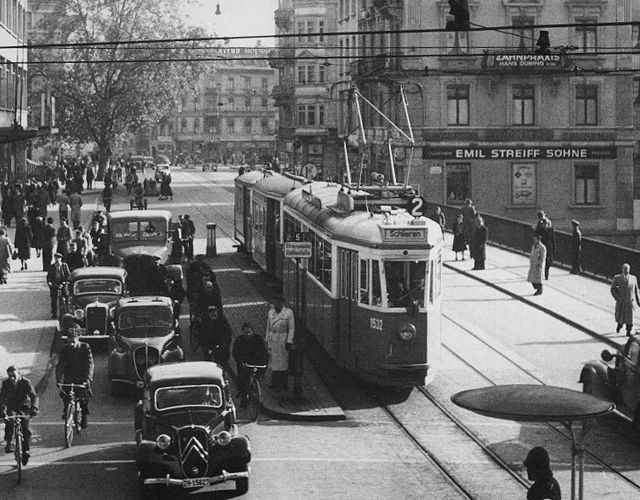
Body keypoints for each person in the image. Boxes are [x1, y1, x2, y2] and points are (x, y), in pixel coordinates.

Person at [56, 328, 94, 428]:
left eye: (73, 342)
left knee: (84, 397)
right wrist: (58, 379)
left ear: (78, 339)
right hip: (70, 375)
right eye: (69, 342)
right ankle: (66, 410)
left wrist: (88, 379)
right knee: (65, 393)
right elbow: (60, 364)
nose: (71, 344)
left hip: (82, 375)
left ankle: (84, 415)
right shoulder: (65, 349)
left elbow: (89, 364)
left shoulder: (85, 347)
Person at [0, 366, 39, 465]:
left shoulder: (26, 382)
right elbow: (2, 399)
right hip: (12, 407)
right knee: (9, 422)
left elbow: (34, 396)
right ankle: (9, 442)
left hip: (24, 408)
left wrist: (34, 408)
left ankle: (26, 450)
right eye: (9, 376)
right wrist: (2, 411)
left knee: (26, 429)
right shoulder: (5, 383)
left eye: (14, 376)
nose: (12, 378)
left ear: (19, 374)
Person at [232, 322, 269, 406]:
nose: (248, 334)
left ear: (252, 332)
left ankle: (256, 387)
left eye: (249, 332)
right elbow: (235, 353)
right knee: (243, 380)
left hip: (257, 362)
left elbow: (264, 352)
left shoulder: (258, 339)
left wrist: (264, 363)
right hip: (245, 363)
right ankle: (244, 397)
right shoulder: (239, 340)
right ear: (242, 332)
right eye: (246, 333)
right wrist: (241, 362)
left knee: (258, 376)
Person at [265, 296, 295, 391]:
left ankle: (283, 383)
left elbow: (291, 328)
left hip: (282, 338)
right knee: (273, 361)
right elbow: (268, 327)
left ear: (282, 303)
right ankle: (274, 382)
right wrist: (267, 339)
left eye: (278, 302)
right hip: (273, 339)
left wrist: (289, 341)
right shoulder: (271, 312)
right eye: (275, 302)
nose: (276, 304)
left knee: (283, 362)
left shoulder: (288, 313)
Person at [610, 263, 640, 336]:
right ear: (622, 269)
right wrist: (617, 297)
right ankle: (619, 327)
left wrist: (638, 301)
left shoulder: (633, 278)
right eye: (625, 269)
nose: (626, 271)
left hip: (630, 302)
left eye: (628, 269)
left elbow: (636, 290)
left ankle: (628, 331)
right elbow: (613, 289)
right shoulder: (617, 278)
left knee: (630, 319)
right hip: (621, 302)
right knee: (621, 317)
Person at [47, 252, 70, 318]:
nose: (57, 259)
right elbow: (49, 276)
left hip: (63, 284)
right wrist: (49, 282)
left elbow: (68, 275)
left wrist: (64, 283)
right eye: (56, 258)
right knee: (54, 299)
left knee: (65, 298)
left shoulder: (64, 265)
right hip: (54, 284)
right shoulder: (52, 266)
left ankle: (65, 312)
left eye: (58, 258)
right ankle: (54, 313)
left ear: (61, 259)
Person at [534, 211, 555, 280]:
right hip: (543, 245)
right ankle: (543, 274)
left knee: (547, 260)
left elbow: (552, 238)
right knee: (542, 259)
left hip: (547, 245)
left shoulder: (548, 228)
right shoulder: (540, 226)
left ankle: (546, 274)